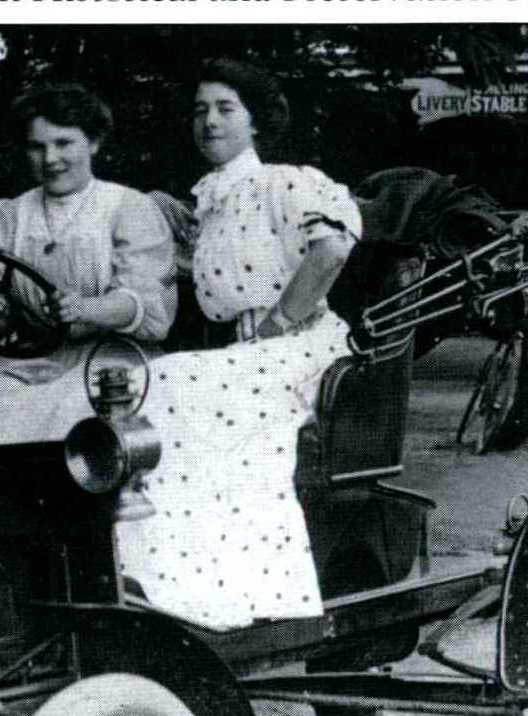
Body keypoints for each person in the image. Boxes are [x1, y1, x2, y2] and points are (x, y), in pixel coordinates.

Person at [115, 59, 362, 630]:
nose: (209, 121)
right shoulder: (210, 203)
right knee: (146, 383)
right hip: (243, 355)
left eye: (226, 109)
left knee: (170, 384)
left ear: (256, 122)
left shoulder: (287, 182)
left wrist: (278, 322)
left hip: (301, 345)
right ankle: (166, 574)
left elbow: (331, 251)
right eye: (200, 110)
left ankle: (230, 594)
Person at [0, 84, 176, 447]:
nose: (49, 158)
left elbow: (150, 308)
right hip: (30, 364)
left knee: (75, 432)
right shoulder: (9, 215)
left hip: (113, 362)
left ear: (93, 143)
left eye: (64, 143)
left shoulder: (130, 208)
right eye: (37, 146)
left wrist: (86, 308)